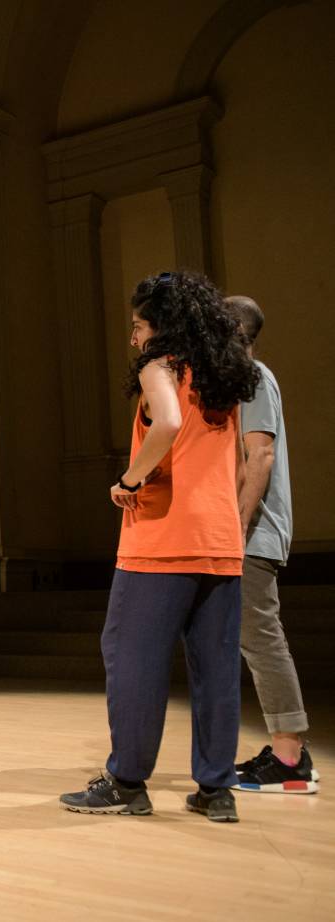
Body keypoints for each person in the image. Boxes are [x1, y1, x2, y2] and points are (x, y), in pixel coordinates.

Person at [60, 270, 258, 822]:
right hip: (219, 542)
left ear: (163, 329)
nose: (134, 338)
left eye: (139, 326)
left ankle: (126, 782)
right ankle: (216, 791)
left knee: (132, 663)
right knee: (215, 670)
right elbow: (238, 463)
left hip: (162, 542)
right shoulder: (224, 377)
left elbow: (167, 422)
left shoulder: (159, 367)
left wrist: (130, 479)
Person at [226, 295, 319, 794]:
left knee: (260, 636)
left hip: (253, 531)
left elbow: (259, 454)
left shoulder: (255, 378)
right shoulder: (240, 382)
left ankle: (290, 758)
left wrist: (236, 529)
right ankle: (285, 748)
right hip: (246, 529)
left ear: (236, 330)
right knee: (250, 637)